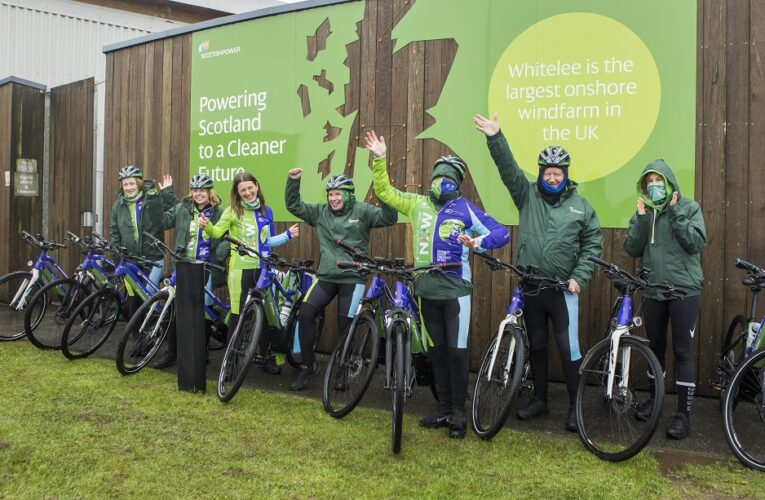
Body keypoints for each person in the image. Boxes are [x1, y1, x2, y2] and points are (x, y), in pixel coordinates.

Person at [365, 130, 510, 438]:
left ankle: (459, 415)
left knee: (457, 354)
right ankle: (444, 408)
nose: (443, 183)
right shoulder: (417, 204)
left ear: (459, 183)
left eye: (451, 179)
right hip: (426, 291)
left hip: (456, 293)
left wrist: (478, 242)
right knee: (438, 353)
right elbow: (385, 192)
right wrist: (379, 158)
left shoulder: (466, 209)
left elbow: (501, 233)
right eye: (440, 177)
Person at [473, 114, 603, 433]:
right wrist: (495, 137)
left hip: (562, 290)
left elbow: (593, 245)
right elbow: (508, 170)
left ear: (565, 175)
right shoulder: (526, 195)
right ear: (542, 173)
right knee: (539, 346)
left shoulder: (581, 207)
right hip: (532, 286)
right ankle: (540, 399)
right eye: (548, 172)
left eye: (558, 173)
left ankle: (575, 408)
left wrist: (580, 277)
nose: (553, 177)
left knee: (569, 348)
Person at [285, 168, 398, 390]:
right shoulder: (320, 212)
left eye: (338, 194)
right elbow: (294, 206)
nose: (334, 198)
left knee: (345, 325)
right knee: (306, 314)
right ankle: (308, 366)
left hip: (353, 277)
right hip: (326, 275)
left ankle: (343, 369)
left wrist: (383, 194)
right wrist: (293, 181)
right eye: (331, 194)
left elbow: (389, 218)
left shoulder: (362, 211)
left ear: (348, 194)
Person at [625, 160, 706, 440]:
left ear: (669, 182)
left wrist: (674, 214)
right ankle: (654, 401)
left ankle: (683, 414)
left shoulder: (688, 208)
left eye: (659, 181)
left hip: (684, 292)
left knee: (683, 351)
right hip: (653, 291)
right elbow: (632, 248)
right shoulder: (645, 212)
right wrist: (641, 219)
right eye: (649, 183)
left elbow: (695, 243)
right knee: (655, 349)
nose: (654, 187)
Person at [201, 172, 299, 375]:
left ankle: (265, 357)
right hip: (239, 272)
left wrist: (287, 235)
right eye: (242, 190)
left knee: (263, 315)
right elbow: (217, 233)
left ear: (256, 185)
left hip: (262, 270)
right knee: (238, 317)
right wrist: (206, 226)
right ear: (237, 193)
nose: (247, 193)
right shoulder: (232, 211)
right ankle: (230, 363)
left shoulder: (267, 211)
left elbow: (268, 241)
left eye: (249, 188)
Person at [154, 173, 228, 369]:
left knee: (202, 311)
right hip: (183, 264)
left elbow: (227, 238)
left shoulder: (219, 213)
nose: (198, 194)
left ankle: (201, 352)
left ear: (209, 192)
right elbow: (162, 221)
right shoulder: (182, 209)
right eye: (195, 190)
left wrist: (220, 255)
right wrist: (164, 194)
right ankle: (171, 352)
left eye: (202, 190)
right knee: (174, 308)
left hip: (207, 266)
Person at [110, 165, 176, 324]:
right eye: (125, 184)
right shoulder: (118, 206)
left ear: (139, 183)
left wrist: (167, 193)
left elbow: (170, 215)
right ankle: (137, 340)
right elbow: (115, 233)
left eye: (132, 183)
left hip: (153, 258)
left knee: (147, 297)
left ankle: (158, 328)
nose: (129, 187)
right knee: (133, 301)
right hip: (130, 260)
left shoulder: (151, 198)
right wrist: (117, 260)